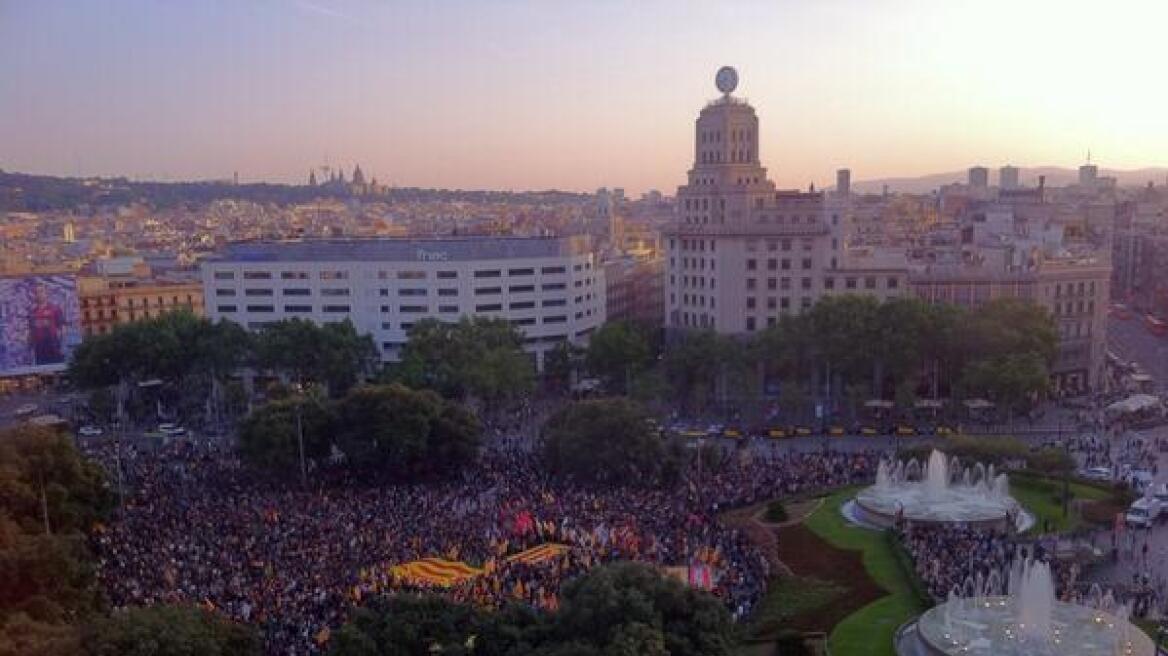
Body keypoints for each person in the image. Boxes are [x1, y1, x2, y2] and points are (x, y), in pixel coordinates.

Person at [27, 282, 66, 365]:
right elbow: (30, 331)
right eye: (36, 292)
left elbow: (62, 327)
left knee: (57, 368)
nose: (39, 294)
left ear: (46, 293)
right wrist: (29, 346)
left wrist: (62, 344)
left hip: (54, 347)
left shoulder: (55, 309)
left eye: (41, 291)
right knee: (42, 370)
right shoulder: (32, 312)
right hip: (39, 349)